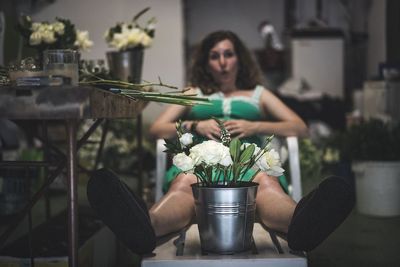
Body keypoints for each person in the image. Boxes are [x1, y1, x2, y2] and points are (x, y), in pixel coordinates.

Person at [87, 30, 354, 255]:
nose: (223, 62)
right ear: (207, 63)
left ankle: (300, 224)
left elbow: (300, 127)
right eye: (215, 56)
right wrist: (194, 124)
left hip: (248, 159)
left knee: (266, 184)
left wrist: (256, 125)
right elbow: (156, 129)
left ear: (240, 59)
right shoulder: (193, 93)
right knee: (184, 184)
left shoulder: (258, 94)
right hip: (202, 161)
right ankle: (147, 226)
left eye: (228, 54)